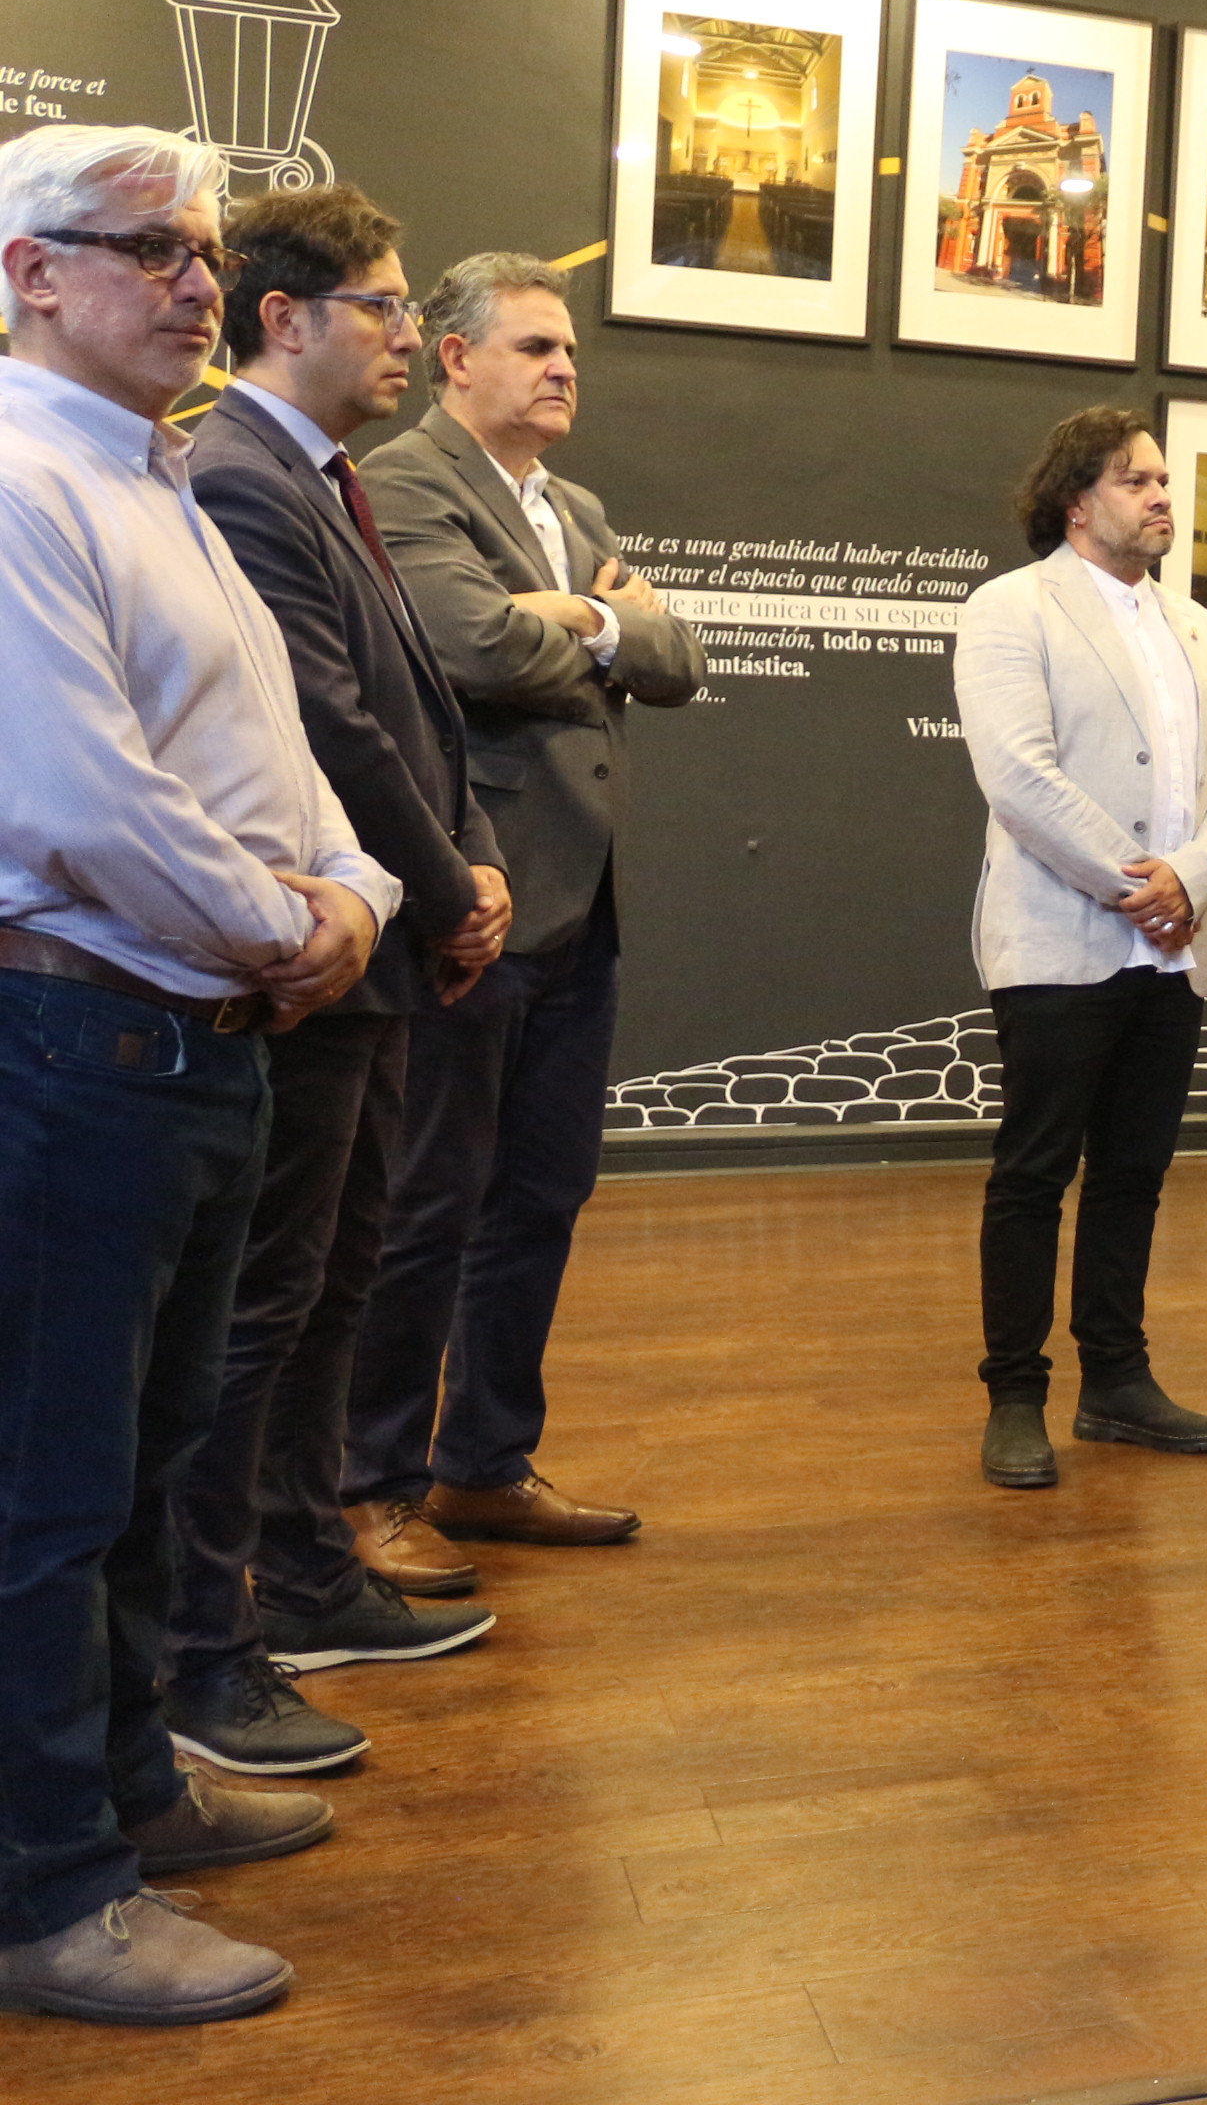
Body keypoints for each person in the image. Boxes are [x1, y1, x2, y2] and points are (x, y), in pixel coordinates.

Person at [0, 123, 397, 2024]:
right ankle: (45, 1890)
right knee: (46, 1493)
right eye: (147, 247)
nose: (195, 281)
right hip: (77, 1041)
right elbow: (81, 800)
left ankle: (131, 1789)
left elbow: (283, 759)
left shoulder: (158, 477)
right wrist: (284, 928)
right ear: (29, 272)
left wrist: (355, 894)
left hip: (191, 1041)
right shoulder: (20, 482)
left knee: (151, 1464)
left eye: (205, 249)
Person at [166, 188, 513, 1778]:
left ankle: (306, 1577)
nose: (405, 334)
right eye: (381, 305)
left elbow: (415, 716)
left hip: (374, 942)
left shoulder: (320, 478)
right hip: (311, 950)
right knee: (265, 1308)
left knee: (325, 1291)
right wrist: (443, 890)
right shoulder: (243, 476)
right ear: (283, 318)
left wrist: (467, 862)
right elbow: (327, 727)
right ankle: (214, 1631)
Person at [348, 253, 703, 1575]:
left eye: (571, 353)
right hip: (474, 899)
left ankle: (484, 1464)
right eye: (537, 347)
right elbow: (467, 647)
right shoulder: (405, 484)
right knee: (426, 1204)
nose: (564, 370)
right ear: (455, 358)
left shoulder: (575, 504)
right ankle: (368, 1487)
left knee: (543, 1194)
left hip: (581, 907)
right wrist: (605, 626)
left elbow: (677, 662)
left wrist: (586, 622)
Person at [956, 409, 1207, 1488]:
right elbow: (1019, 776)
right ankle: (1015, 1395)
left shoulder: (1202, 629)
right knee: (1035, 1173)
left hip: (1177, 943)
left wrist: (1195, 878)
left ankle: (1117, 1383)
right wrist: (1144, 885)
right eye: (1136, 480)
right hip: (1061, 939)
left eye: (1164, 478)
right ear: (1076, 501)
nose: (1163, 495)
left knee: (1134, 1172)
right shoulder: (1010, 608)